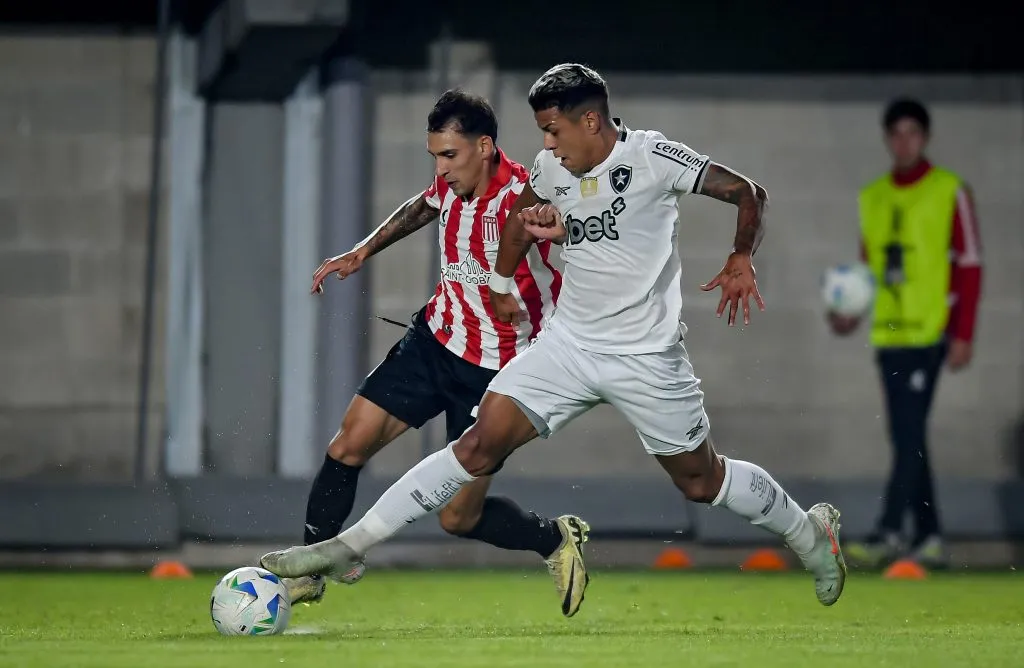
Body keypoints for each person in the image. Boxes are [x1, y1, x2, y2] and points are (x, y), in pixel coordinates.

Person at [261, 63, 847, 610]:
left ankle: (809, 533)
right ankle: (345, 548)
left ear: (590, 121)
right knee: (475, 446)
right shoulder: (549, 170)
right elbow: (519, 225)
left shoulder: (653, 157)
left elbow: (747, 191)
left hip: (645, 356)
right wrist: (499, 281)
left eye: (553, 130)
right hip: (565, 347)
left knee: (701, 481)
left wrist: (741, 255)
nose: (546, 143)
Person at [284, 88, 591, 613]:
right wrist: (362, 251)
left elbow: (576, 239)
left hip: (497, 373)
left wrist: (566, 247)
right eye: (435, 157)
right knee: (348, 444)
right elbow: (423, 206)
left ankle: (555, 538)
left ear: (485, 147)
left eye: (449, 155)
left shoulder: (526, 198)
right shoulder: (451, 185)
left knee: (458, 518)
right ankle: (311, 570)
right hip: (435, 341)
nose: (441, 169)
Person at [831, 98, 983, 568]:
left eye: (912, 133)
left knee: (908, 435)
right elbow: (867, 270)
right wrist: (849, 313)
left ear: (925, 138)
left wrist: (963, 333)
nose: (904, 142)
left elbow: (970, 265)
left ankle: (890, 530)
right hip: (889, 336)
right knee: (907, 438)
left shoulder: (949, 190)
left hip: (929, 334)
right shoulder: (873, 196)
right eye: (896, 134)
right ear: (887, 139)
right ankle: (930, 536)